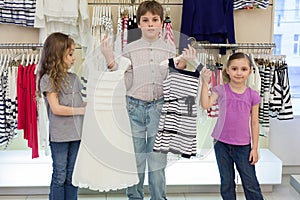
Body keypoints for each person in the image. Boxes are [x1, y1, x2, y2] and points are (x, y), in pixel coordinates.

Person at [100, 1, 195, 199]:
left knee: (157, 162)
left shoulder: (169, 48)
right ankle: (134, 196)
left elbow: (173, 80)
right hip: (133, 107)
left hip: (160, 108)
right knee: (134, 160)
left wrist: (182, 65)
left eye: (154, 20)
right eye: (145, 20)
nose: (150, 24)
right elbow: (124, 80)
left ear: (161, 22)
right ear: (139, 23)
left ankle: (158, 197)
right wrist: (110, 59)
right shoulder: (129, 49)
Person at [200, 52, 264, 200]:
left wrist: (254, 148)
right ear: (227, 70)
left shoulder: (253, 95)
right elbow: (206, 104)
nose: (239, 73)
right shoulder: (220, 90)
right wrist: (205, 82)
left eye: (243, 69)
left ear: (250, 71)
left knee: (250, 183)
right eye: (234, 69)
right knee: (227, 182)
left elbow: (254, 123)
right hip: (221, 144)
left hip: (243, 147)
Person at [37, 32, 86, 200]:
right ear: (58, 55)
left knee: (72, 176)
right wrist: (81, 111)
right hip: (59, 137)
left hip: (77, 135)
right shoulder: (48, 79)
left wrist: (94, 106)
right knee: (60, 175)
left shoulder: (74, 79)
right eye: (70, 54)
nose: (73, 58)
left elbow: (79, 105)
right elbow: (56, 108)